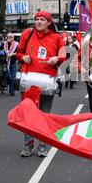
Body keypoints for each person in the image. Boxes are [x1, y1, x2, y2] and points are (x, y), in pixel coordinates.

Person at [16, 10, 66, 157]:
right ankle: (28, 144)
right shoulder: (27, 33)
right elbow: (19, 53)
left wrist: (56, 59)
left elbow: (63, 55)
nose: (38, 22)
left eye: (42, 19)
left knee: (44, 114)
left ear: (49, 23)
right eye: (37, 19)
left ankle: (42, 146)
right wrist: (23, 57)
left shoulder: (57, 37)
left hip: (47, 80)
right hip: (29, 80)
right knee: (28, 113)